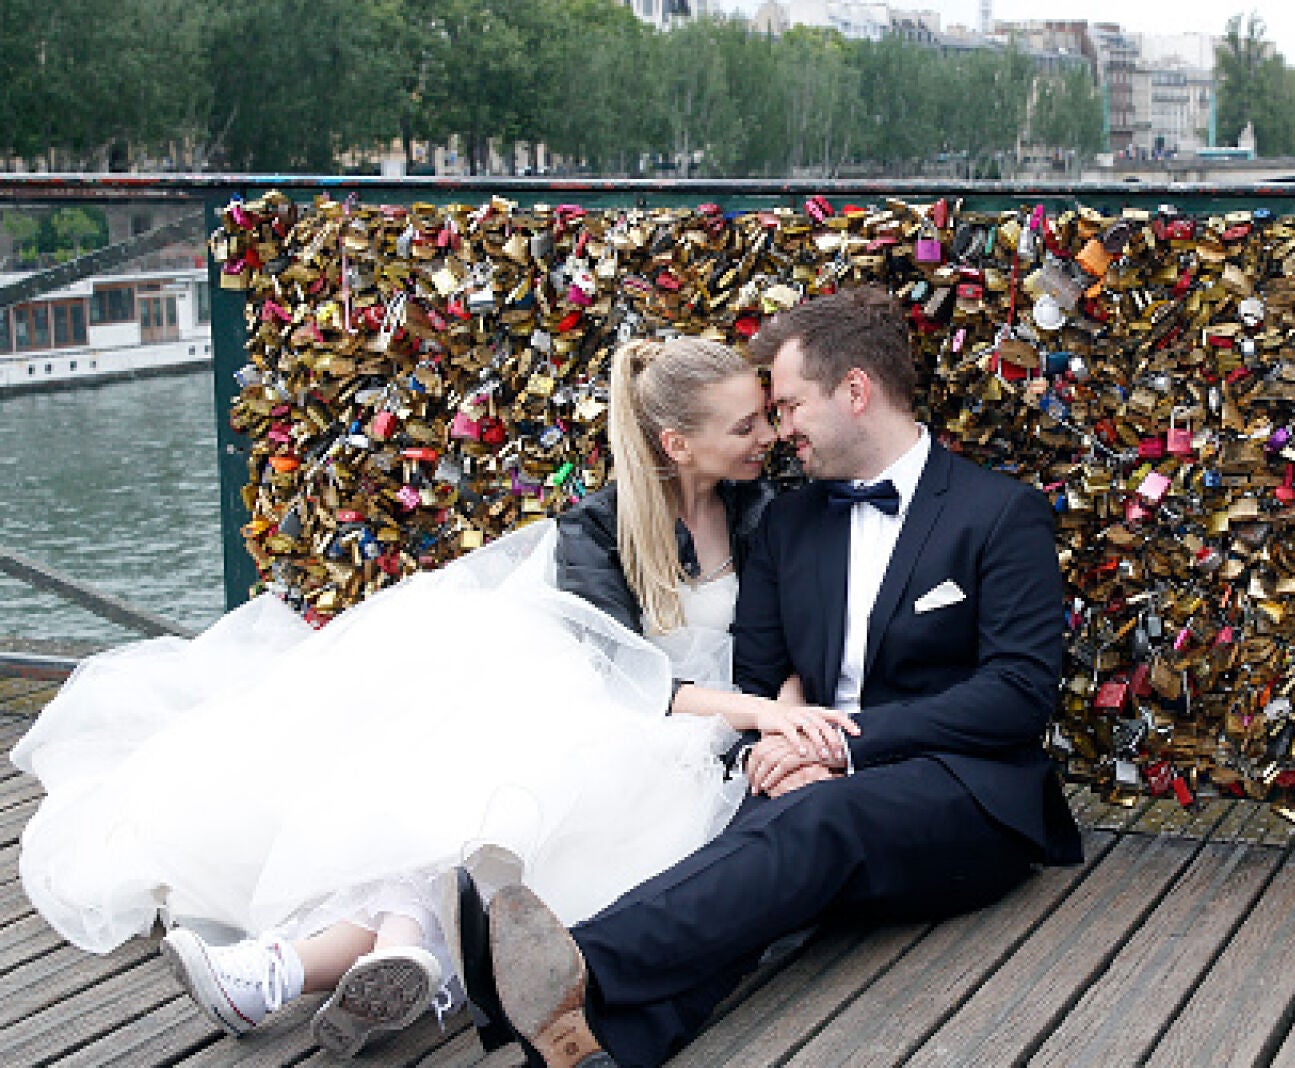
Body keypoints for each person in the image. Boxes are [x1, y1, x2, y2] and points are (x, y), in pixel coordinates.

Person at [9, 336, 857, 1057]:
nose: (768, 437)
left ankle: (306, 967)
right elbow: (617, 679)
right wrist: (757, 711)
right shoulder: (595, 530)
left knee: (520, 819)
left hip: (692, 737)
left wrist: (780, 709)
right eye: (746, 425)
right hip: (615, 711)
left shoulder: (764, 510)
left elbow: (785, 637)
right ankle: (369, 957)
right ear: (677, 443)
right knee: (493, 803)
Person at [450, 287, 1085, 1068]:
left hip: (963, 798)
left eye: (787, 408)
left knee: (813, 823)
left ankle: (579, 963)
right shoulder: (785, 523)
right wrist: (776, 748)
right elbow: (758, 672)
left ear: (855, 392)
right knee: (761, 851)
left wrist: (839, 746)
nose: (780, 433)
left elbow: (1019, 695)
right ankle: (587, 1043)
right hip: (804, 784)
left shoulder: (997, 513)